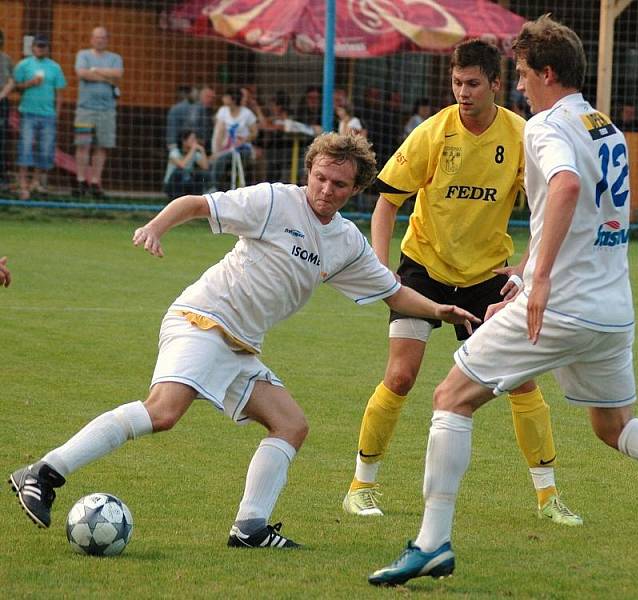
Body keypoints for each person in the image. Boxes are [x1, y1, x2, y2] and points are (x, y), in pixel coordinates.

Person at [369, 15, 638, 587]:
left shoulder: (544, 127)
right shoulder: (607, 128)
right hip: (611, 309)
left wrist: (538, 282)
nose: (519, 86)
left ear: (547, 72)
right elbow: (582, 212)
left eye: (524, 74)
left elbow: (567, 187)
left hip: (561, 307)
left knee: (451, 397)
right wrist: (525, 273)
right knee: (615, 426)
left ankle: (431, 544)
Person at [8, 132, 480, 549]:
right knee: (164, 411)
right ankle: (44, 473)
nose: (325, 190)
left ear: (356, 189)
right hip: (202, 319)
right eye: (319, 178)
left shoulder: (346, 243)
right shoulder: (275, 200)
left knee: (291, 425)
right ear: (309, 171)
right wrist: (155, 226)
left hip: (239, 345)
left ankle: (249, 527)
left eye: (339, 185)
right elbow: (197, 204)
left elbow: (393, 291)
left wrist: (438, 309)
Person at [342, 38, 582, 527]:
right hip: (424, 270)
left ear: (496, 84)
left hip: (485, 276)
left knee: (520, 380)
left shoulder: (523, 136)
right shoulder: (433, 133)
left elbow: (547, 207)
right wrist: (383, 268)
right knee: (401, 376)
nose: (463, 92)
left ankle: (549, 497)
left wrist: (529, 266)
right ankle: (360, 486)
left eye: (473, 83)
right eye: (456, 83)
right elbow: (387, 202)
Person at [13, 35, 66, 201]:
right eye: (38, 46)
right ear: (33, 47)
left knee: (45, 150)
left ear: (47, 48)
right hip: (27, 113)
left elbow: (60, 93)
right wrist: (30, 83)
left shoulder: (55, 67)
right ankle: (23, 184)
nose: (40, 49)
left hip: (48, 115)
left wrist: (56, 113)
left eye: (43, 46)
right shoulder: (23, 65)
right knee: (25, 148)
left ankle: (35, 182)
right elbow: (15, 86)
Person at [73, 26, 124, 199]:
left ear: (107, 39)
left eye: (103, 37)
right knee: (83, 145)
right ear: (91, 39)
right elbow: (82, 73)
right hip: (85, 108)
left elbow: (118, 74)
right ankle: (80, 181)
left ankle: (95, 182)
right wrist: (107, 78)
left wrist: (94, 70)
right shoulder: (83, 54)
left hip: (107, 110)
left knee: (102, 146)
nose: (99, 40)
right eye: (96, 37)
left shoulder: (115, 58)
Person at [209, 87, 257, 191]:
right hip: (226, 147)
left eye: (226, 96)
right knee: (217, 159)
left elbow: (255, 132)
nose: (223, 98)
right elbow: (219, 132)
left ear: (233, 99)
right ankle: (218, 187)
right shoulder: (223, 111)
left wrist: (244, 139)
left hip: (242, 148)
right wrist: (217, 150)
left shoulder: (247, 113)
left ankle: (214, 188)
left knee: (220, 159)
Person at [163, 129, 210, 199]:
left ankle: (198, 198)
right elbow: (182, 165)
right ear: (184, 141)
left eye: (195, 139)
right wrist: (193, 149)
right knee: (179, 172)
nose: (195, 141)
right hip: (172, 185)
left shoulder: (194, 153)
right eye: (192, 139)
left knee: (200, 175)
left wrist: (202, 150)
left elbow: (205, 167)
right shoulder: (174, 152)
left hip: (187, 183)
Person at [0, 30, 15, 191]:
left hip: (2, 103)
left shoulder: (6, 59)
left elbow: (12, 81)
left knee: (2, 140)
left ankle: (2, 178)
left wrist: (2, 95)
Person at [164, 85, 195, 151]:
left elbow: (172, 129)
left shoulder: (175, 109)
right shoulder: (195, 107)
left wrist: (172, 147)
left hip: (179, 144)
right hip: (193, 144)